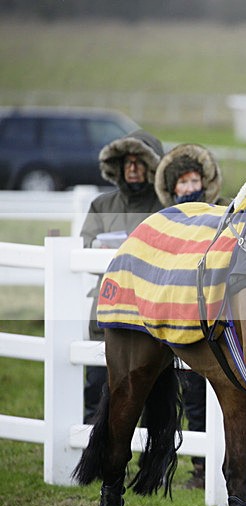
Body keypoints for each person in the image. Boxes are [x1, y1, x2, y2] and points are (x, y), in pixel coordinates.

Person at [154, 143, 228, 490]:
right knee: (184, 396)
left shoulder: (220, 216)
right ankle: (191, 466)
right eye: (182, 182)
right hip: (172, 319)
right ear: (172, 188)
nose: (188, 187)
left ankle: (212, 468)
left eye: (193, 179)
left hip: (211, 320)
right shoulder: (162, 223)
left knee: (211, 395)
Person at [80, 130, 164, 424]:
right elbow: (84, 250)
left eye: (139, 162)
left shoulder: (165, 207)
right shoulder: (101, 205)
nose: (132, 168)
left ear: (152, 166)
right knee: (97, 389)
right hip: (107, 309)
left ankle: (151, 467)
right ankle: (95, 458)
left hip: (150, 315)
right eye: (127, 162)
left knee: (154, 397)